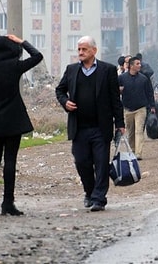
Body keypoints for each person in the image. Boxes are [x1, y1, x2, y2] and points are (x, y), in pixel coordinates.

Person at [55, 36, 125, 212]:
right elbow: (60, 90)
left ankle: (99, 199)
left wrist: (120, 123)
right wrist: (65, 102)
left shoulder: (107, 70)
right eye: (79, 49)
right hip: (79, 128)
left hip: (101, 128)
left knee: (101, 164)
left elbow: (115, 99)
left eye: (84, 49)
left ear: (94, 50)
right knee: (82, 162)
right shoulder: (71, 70)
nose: (80, 52)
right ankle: (89, 192)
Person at [0, 34, 43, 217]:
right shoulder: (15, 66)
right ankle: (8, 203)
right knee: (10, 161)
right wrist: (22, 41)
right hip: (13, 119)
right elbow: (37, 56)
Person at [118, 56, 156, 160]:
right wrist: (119, 90)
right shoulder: (122, 78)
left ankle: (138, 153)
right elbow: (114, 91)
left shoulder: (144, 79)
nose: (140, 65)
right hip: (128, 109)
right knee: (130, 132)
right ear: (131, 66)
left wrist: (152, 106)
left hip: (141, 109)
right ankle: (132, 151)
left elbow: (149, 93)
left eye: (140, 64)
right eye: (137, 64)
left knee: (139, 131)